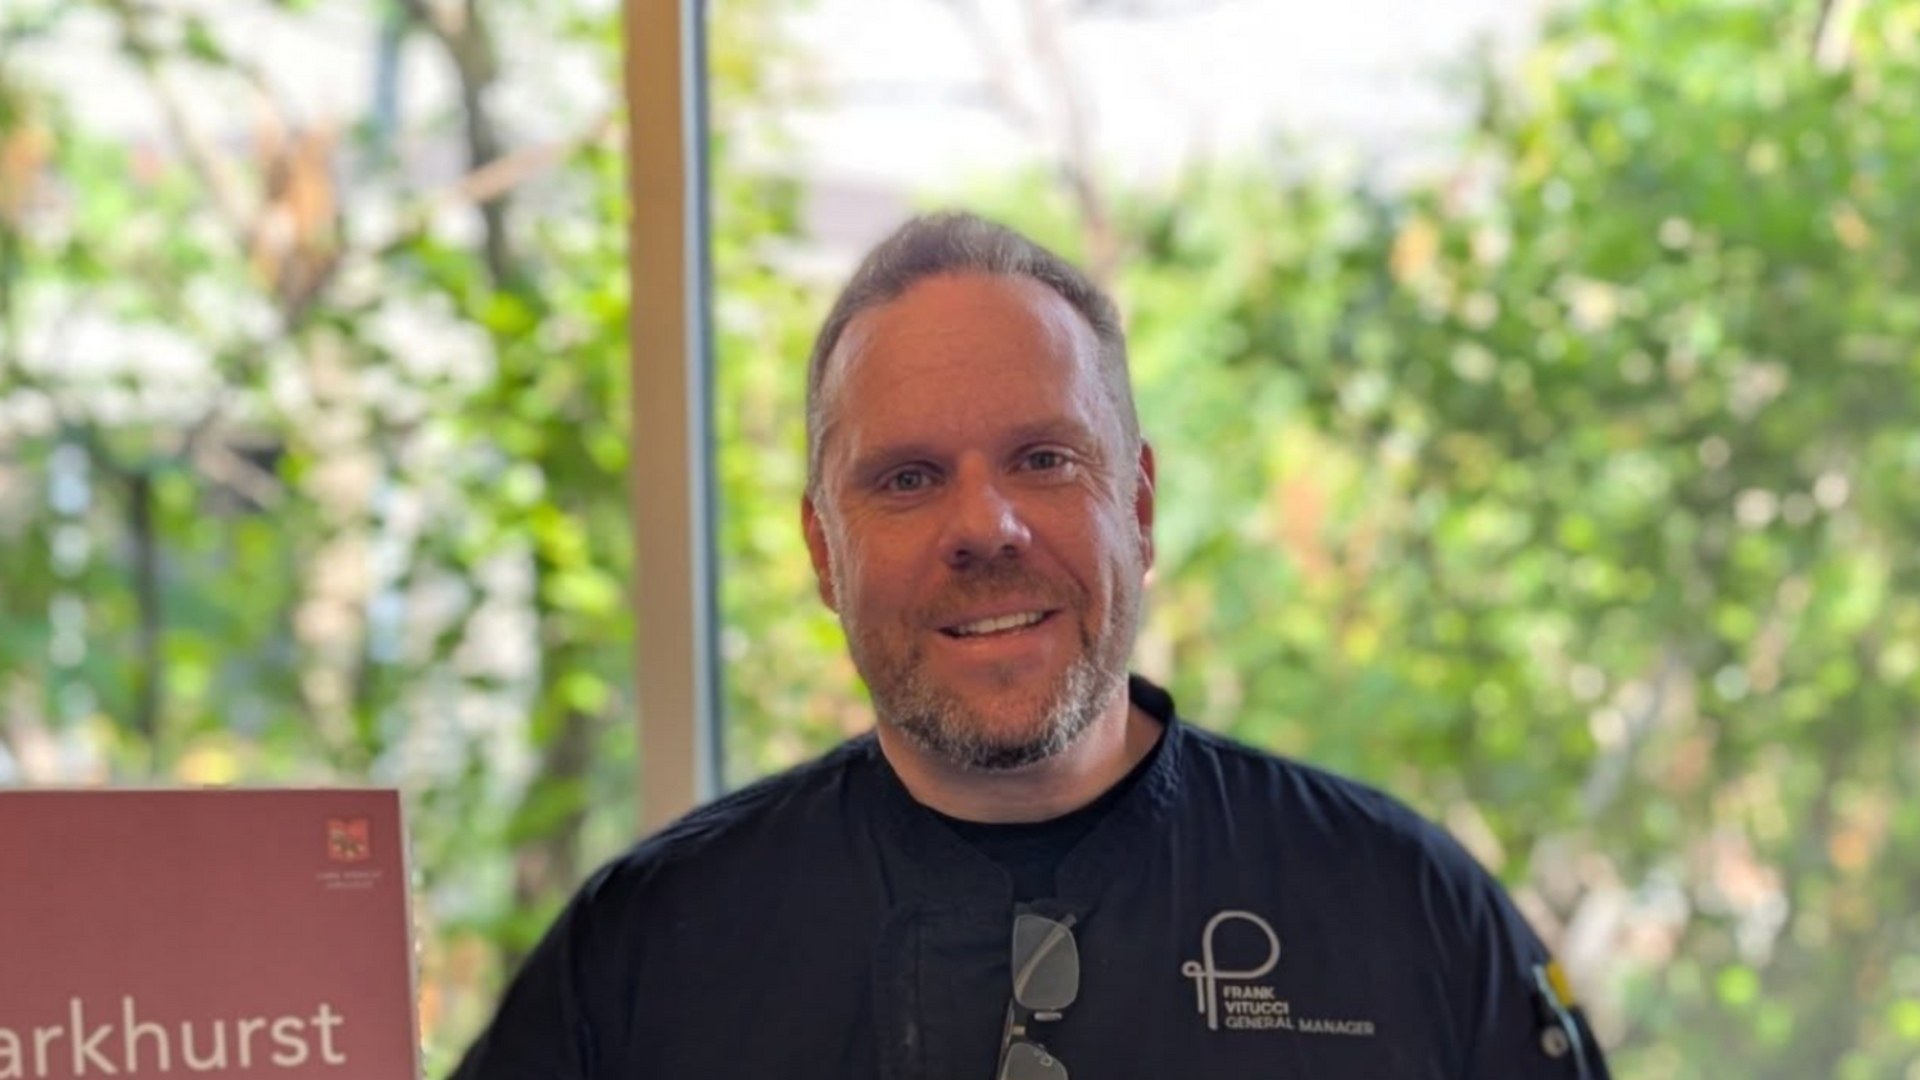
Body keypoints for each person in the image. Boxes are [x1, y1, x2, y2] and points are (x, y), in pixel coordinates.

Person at [450, 211, 1612, 1080]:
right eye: (907, 480)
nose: (984, 529)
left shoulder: (1406, 913)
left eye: (1045, 460)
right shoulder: (644, 953)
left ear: (1141, 509)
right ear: (821, 550)